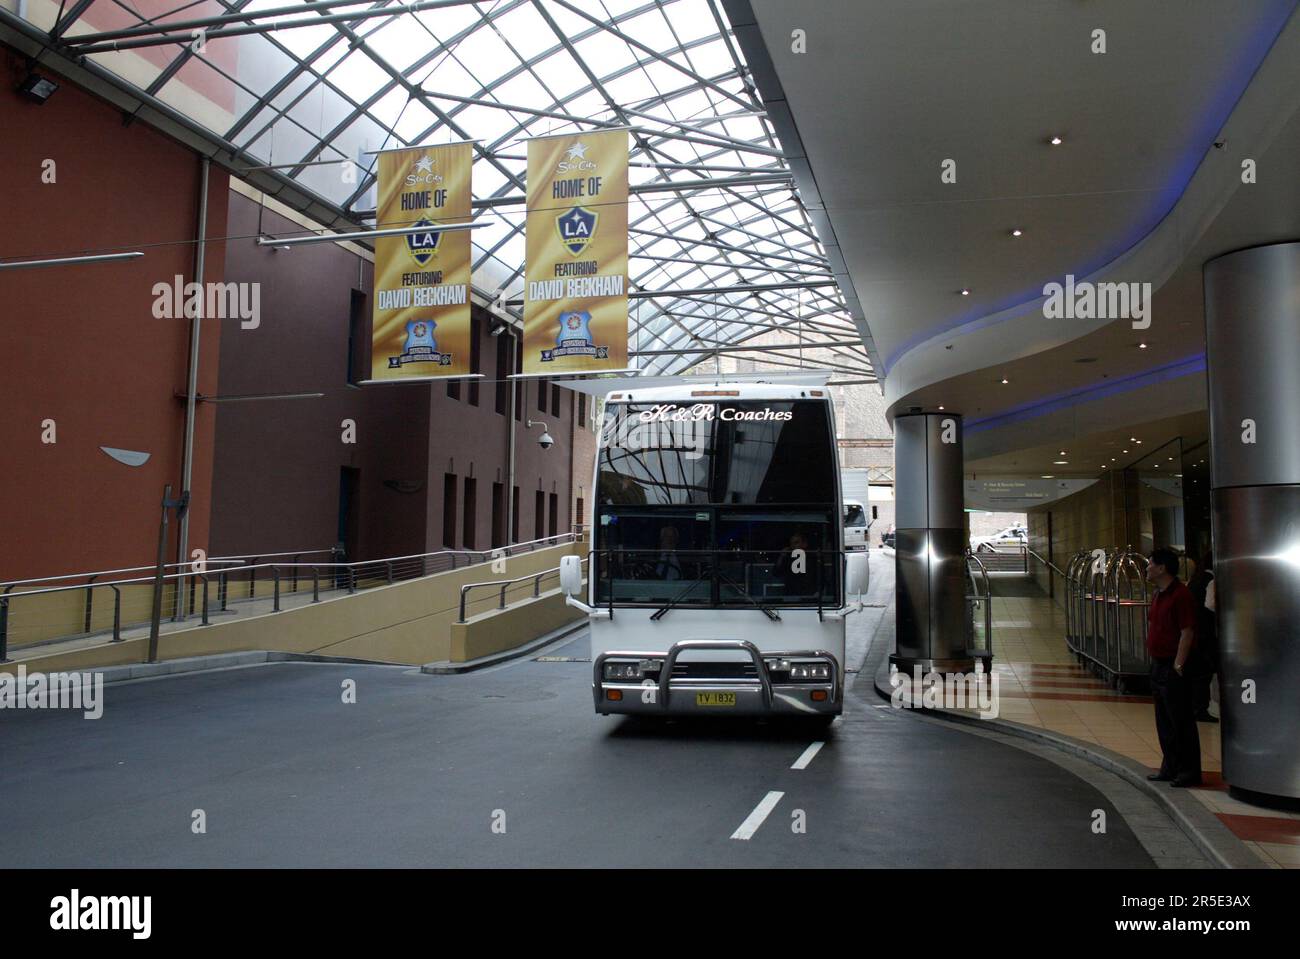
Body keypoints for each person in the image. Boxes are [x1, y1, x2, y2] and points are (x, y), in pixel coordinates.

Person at [1144, 547, 1202, 787]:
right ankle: (1170, 766)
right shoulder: (1159, 594)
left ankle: (1188, 771)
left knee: (1181, 720)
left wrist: (1179, 663)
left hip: (1173, 666)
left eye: (1150, 564)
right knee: (1164, 720)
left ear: (1162, 568)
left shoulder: (1181, 595)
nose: (1147, 568)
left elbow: (1187, 631)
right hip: (1158, 665)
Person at [1186, 551, 1219, 724]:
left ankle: (1195, 705)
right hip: (1206, 631)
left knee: (1197, 671)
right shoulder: (1211, 581)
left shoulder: (1194, 580)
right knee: (1204, 672)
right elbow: (1211, 605)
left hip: (1195, 631)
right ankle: (1200, 707)